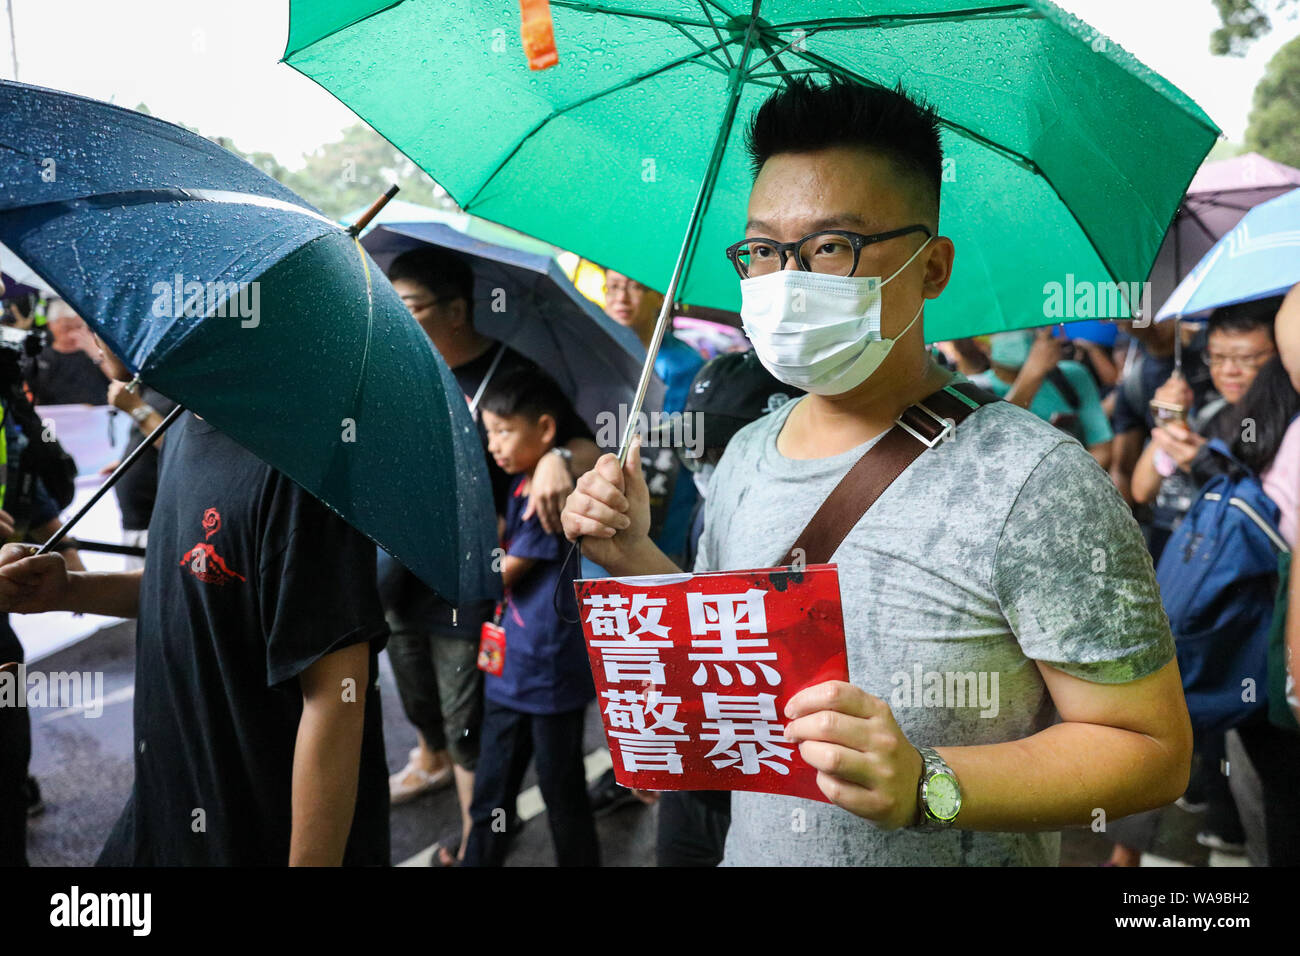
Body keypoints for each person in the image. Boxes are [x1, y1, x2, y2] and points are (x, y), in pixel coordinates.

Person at [562, 77, 1191, 867]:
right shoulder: (749, 451)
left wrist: (929, 784)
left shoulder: (1036, 483)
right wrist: (633, 560)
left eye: (832, 246)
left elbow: (1150, 749)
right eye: (763, 249)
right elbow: (742, 657)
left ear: (931, 269)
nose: (788, 280)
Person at [0, 410, 392, 865]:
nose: (98, 338)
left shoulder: (304, 466)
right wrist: (69, 588)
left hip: (261, 832)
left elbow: (335, 697)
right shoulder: (184, 423)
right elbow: (187, 580)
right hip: (168, 809)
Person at [382, 245, 599, 865]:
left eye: (414, 307)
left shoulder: (514, 378)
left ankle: (479, 842)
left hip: (479, 595)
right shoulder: (397, 367)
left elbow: (584, 442)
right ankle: (473, 835)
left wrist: (560, 459)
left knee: (473, 728)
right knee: (427, 706)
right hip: (403, 577)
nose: (400, 318)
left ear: (455, 309)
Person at [655, 349, 800, 867]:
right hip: (703, 761)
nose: (705, 467)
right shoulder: (709, 507)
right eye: (695, 451)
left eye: (723, 450)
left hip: (782, 774)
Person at [462, 368, 598, 866]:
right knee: (492, 784)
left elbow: (501, 574)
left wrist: (470, 561)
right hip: (509, 665)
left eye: (504, 431)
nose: (494, 444)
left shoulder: (550, 495)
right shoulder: (521, 484)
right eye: (490, 431)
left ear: (544, 429)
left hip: (546, 667)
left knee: (561, 788)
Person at [972, 328, 1113, 468]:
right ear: (981, 343)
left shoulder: (1073, 376)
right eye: (1002, 329)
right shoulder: (973, 390)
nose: (1018, 332)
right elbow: (991, 446)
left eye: (1025, 325)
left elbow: (1102, 448)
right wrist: (1032, 375)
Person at [96, 342, 175, 564]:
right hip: (139, 525)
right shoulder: (152, 381)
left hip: (158, 527)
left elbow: (184, 448)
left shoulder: (180, 384)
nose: (99, 351)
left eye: (103, 338)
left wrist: (136, 409)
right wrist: (130, 461)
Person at [27, 301, 110, 406]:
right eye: (66, 328)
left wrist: (96, 353)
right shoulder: (41, 357)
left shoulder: (97, 352)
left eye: (78, 327)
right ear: (50, 325)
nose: (72, 334)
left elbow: (121, 381)